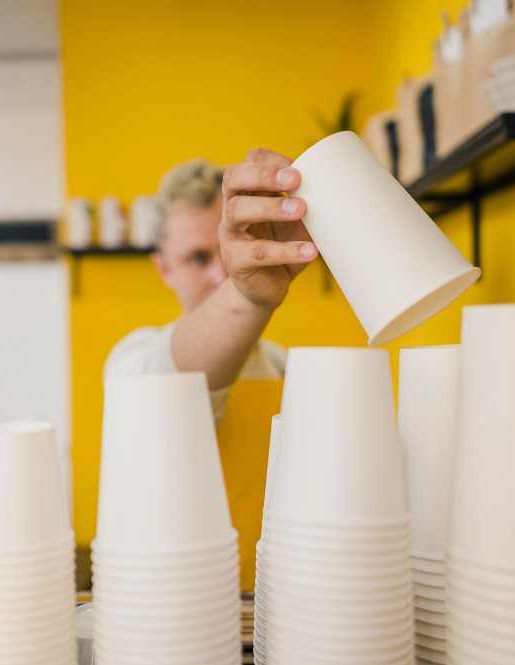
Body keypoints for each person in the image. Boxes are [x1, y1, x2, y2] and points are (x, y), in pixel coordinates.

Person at [104, 149, 317, 589]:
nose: (223, 273)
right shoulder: (132, 361)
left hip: (279, 612)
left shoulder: (282, 364)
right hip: (180, 620)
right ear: (163, 268)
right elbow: (179, 383)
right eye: (199, 258)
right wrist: (249, 295)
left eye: (228, 250)